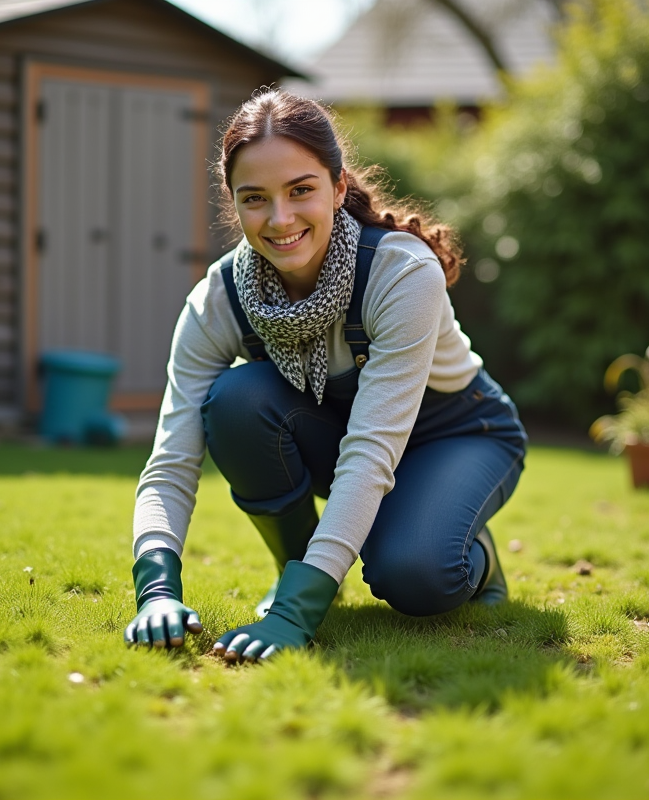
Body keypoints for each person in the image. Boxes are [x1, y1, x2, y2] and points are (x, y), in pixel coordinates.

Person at [124, 89, 527, 663]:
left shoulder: (401, 273)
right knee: (235, 402)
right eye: (255, 198)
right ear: (233, 205)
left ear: (338, 188)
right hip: (344, 440)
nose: (280, 218)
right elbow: (171, 458)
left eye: (301, 190)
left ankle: (470, 553)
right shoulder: (216, 300)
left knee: (413, 575)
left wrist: (296, 615)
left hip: (459, 436)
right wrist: (155, 590)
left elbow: (370, 449)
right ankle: (304, 575)